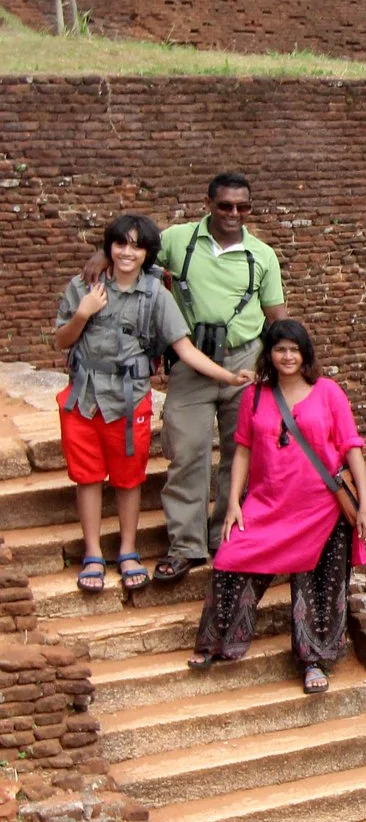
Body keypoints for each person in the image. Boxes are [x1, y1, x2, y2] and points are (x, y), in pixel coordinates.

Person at [53, 216, 248, 593]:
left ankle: (128, 550)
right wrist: (83, 312)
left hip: (129, 400)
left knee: (129, 477)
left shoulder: (156, 295)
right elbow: (61, 340)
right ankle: (93, 552)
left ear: (147, 253)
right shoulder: (84, 286)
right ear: (109, 247)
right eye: (120, 244)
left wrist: (227, 377)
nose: (127, 253)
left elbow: (184, 349)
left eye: (136, 246)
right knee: (87, 476)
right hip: (84, 396)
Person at [189, 320, 366, 694]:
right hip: (267, 502)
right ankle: (219, 641)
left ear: (305, 354)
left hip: (321, 507)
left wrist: (365, 506)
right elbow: (242, 449)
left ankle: (313, 660)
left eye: (294, 349)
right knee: (230, 560)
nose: (288, 357)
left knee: (318, 585)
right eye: (280, 349)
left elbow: (351, 447)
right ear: (269, 354)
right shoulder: (255, 396)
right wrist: (234, 503)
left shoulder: (328, 392)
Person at [153, 173, 287, 584]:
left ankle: (224, 535)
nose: (233, 213)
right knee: (187, 451)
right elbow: (132, 251)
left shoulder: (261, 254)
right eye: (225, 205)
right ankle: (186, 545)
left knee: (240, 453)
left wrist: (279, 365)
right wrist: (102, 258)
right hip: (192, 359)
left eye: (242, 207)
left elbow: (277, 316)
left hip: (244, 359)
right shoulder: (178, 240)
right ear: (208, 203)